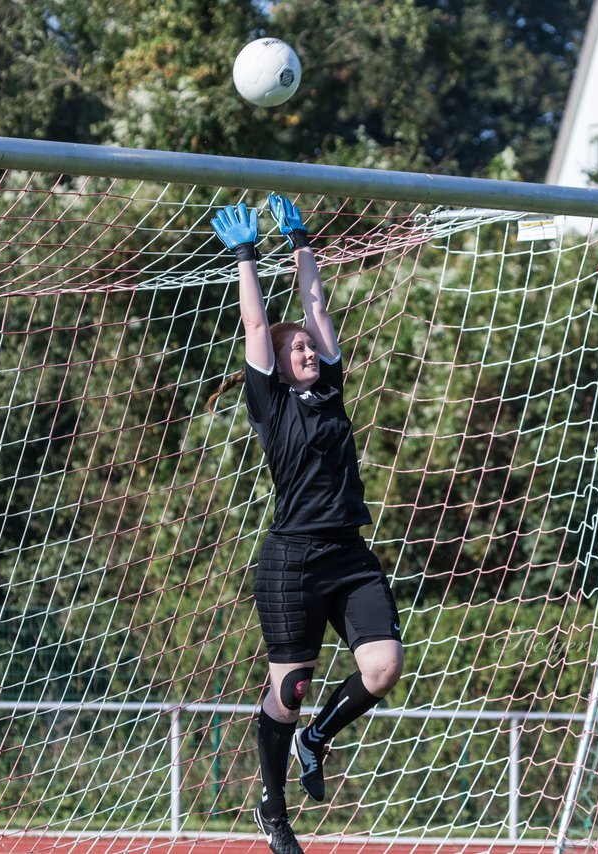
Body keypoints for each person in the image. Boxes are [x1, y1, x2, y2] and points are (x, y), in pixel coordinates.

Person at [208, 196, 405, 854]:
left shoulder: (330, 389)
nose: (306, 353)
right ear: (278, 366)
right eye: (295, 351)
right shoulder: (269, 403)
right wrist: (246, 257)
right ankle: (273, 809)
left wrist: (303, 243)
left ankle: (317, 737)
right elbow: (258, 320)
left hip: (348, 553)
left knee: (382, 667)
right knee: (288, 688)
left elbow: (315, 308)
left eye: (309, 350)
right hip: (292, 559)